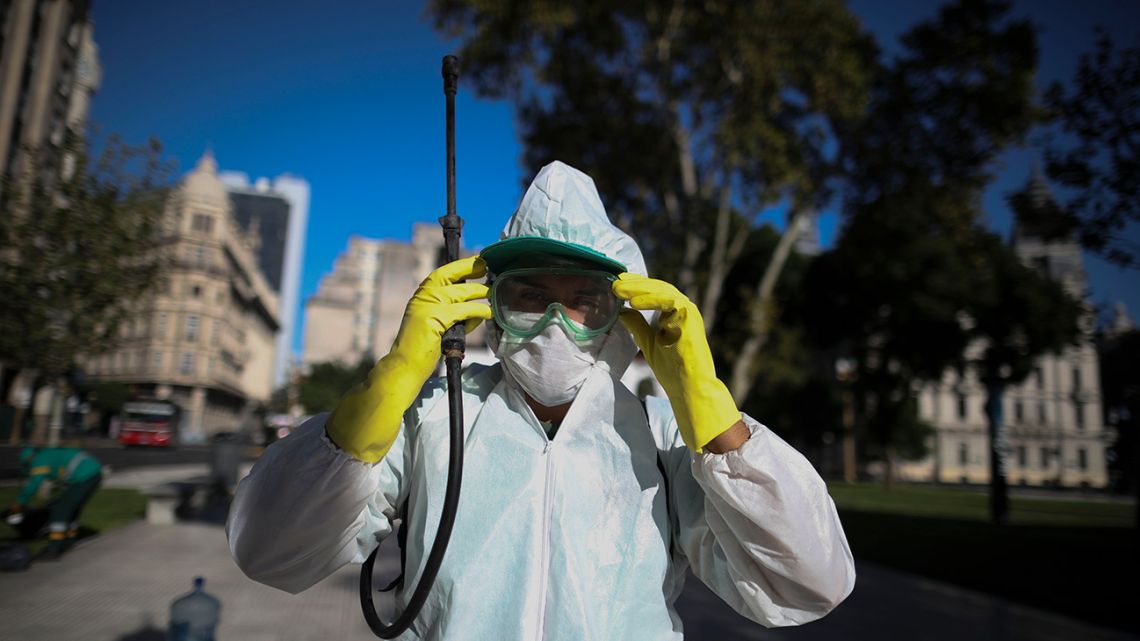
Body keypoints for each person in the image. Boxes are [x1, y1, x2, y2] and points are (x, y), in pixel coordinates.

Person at [228, 161, 855, 639]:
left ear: (621, 316)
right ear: (490, 308)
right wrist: (384, 391)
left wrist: (710, 412)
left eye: (584, 300)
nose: (556, 322)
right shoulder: (432, 420)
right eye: (528, 296)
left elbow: (807, 584)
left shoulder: (666, 436)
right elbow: (271, 553)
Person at [9, 446, 104, 560]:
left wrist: (19, 502)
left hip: (84, 475)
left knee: (59, 511)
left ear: (28, 460)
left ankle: (53, 550)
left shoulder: (39, 459)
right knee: (71, 509)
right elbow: (62, 470)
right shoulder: (47, 454)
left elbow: (34, 483)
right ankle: (68, 541)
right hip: (94, 473)